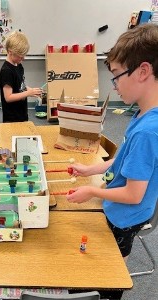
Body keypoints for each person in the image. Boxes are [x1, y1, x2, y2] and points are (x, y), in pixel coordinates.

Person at [66, 23, 158, 261]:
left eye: (116, 75)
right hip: (121, 208)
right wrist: (91, 169)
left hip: (125, 217)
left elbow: (133, 195)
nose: (114, 85)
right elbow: (125, 159)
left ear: (143, 71)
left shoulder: (148, 132)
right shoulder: (143, 114)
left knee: (110, 269)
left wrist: (92, 191)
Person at [0, 31, 42, 123]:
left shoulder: (19, 65)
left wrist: (31, 90)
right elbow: (8, 97)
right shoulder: (6, 71)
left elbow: (19, 85)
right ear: (10, 52)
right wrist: (28, 93)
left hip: (21, 113)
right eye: (21, 56)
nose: (23, 59)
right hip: (12, 118)